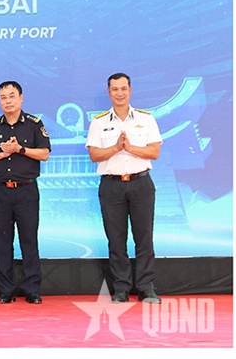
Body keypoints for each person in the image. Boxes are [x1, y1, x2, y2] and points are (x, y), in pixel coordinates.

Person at [85, 73, 163, 304]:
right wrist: (116, 147)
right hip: (112, 186)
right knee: (116, 239)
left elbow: (154, 152)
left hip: (141, 183)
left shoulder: (146, 119)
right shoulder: (99, 122)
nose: (119, 93)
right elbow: (94, 155)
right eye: (114, 89)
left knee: (144, 237)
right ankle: (121, 287)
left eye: (123, 88)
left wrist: (130, 147)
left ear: (130, 90)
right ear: (108, 92)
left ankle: (146, 287)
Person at [0, 81, 51, 304]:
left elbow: (44, 154)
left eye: (12, 96)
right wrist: (2, 154)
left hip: (26, 190)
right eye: (3, 97)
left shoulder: (34, 124)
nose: (8, 101)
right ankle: (6, 289)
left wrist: (20, 149)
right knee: (2, 240)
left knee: (29, 239)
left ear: (21, 98)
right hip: (0, 190)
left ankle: (31, 288)